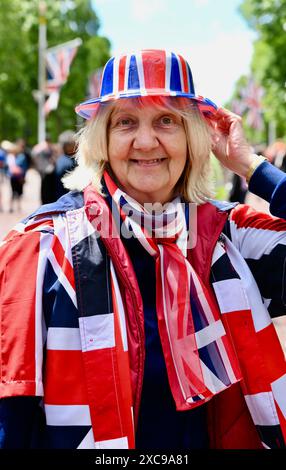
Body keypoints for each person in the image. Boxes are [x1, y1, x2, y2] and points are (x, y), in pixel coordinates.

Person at [0, 49, 286, 450]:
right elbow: (11, 416)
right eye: (126, 122)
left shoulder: (228, 235)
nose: (146, 140)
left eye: (167, 120)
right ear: (102, 139)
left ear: (192, 138)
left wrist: (251, 166)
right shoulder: (42, 245)